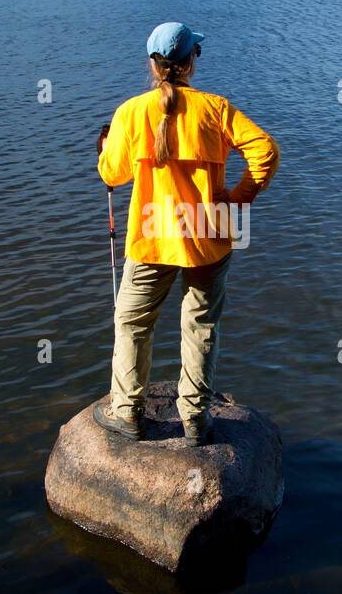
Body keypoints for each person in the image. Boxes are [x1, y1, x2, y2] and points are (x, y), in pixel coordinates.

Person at [95, 22, 280, 447]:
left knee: (133, 323)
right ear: (191, 62)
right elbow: (265, 150)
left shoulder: (130, 111)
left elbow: (113, 173)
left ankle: (127, 412)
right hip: (207, 234)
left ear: (153, 65)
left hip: (152, 234)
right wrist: (237, 199)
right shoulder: (215, 108)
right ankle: (195, 419)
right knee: (201, 324)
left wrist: (106, 149)